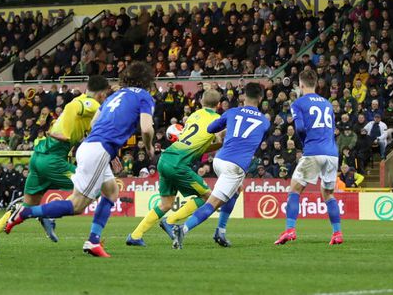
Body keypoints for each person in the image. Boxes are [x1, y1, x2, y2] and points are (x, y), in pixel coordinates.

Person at [4, 61, 156, 258]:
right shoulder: (144, 97)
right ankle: (25, 213)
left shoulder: (114, 95)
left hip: (91, 146)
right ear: (147, 81)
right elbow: (146, 128)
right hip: (99, 150)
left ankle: (93, 241)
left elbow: (94, 122)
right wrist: (149, 145)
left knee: (111, 191)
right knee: (77, 205)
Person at [0, 75, 111, 253]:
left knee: (28, 206)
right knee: (91, 191)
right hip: (52, 159)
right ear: (101, 94)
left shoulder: (82, 104)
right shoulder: (89, 103)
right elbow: (77, 107)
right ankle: (56, 219)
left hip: (38, 157)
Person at [171, 82, 270, 249]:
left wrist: (224, 131)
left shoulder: (231, 112)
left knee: (236, 191)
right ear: (260, 98)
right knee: (213, 203)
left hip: (219, 159)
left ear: (243, 96)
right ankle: (183, 229)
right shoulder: (265, 121)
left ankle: (220, 232)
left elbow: (211, 129)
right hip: (235, 165)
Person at [126, 87, 222, 247]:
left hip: (165, 159)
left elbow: (199, 145)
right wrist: (223, 142)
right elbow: (217, 139)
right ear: (218, 104)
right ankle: (170, 221)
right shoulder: (218, 119)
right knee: (207, 198)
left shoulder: (194, 115)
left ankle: (135, 235)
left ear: (201, 101)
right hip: (178, 164)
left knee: (166, 204)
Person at [274, 69, 342, 246]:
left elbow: (301, 128)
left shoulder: (298, 103)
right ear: (316, 83)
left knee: (294, 189)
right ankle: (337, 233)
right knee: (328, 193)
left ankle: (290, 230)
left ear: (301, 84)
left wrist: (305, 144)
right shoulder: (327, 103)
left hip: (314, 150)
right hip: (332, 152)